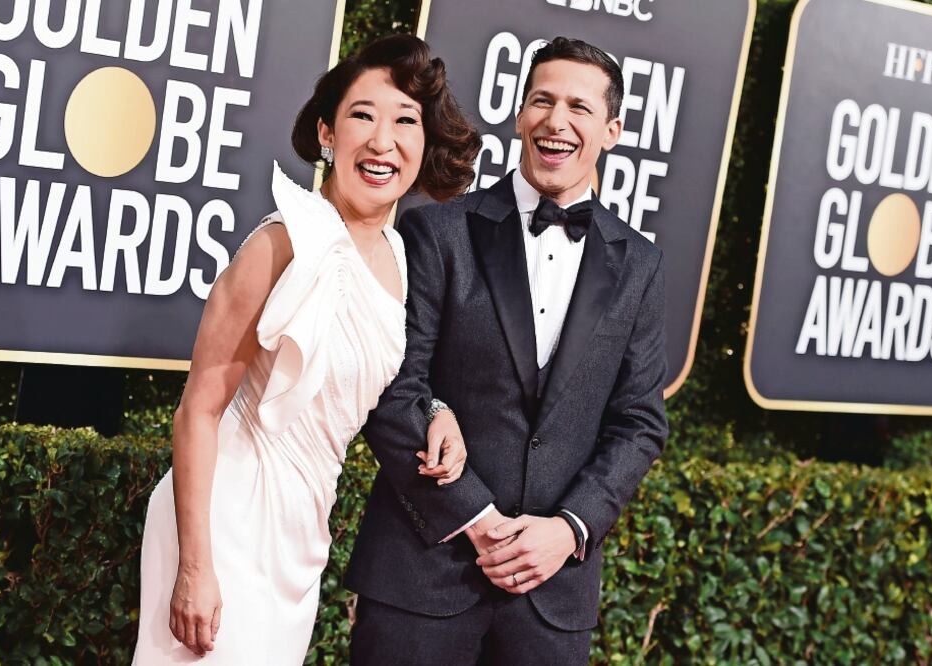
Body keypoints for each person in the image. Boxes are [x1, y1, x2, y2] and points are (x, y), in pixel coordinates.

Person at [132, 34, 481, 665]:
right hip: (226, 520)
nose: (383, 141)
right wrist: (195, 565)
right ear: (327, 133)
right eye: (362, 116)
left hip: (300, 540)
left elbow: (366, 383)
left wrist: (436, 411)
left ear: (424, 143)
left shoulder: (398, 257)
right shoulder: (282, 242)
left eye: (405, 121)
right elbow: (198, 411)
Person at [346, 36, 669, 665]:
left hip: (553, 596)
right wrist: (480, 520)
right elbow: (393, 384)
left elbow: (639, 423)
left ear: (612, 130)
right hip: (422, 574)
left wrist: (568, 529)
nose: (556, 121)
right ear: (520, 115)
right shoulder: (436, 231)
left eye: (579, 107)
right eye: (542, 101)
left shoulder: (643, 266)